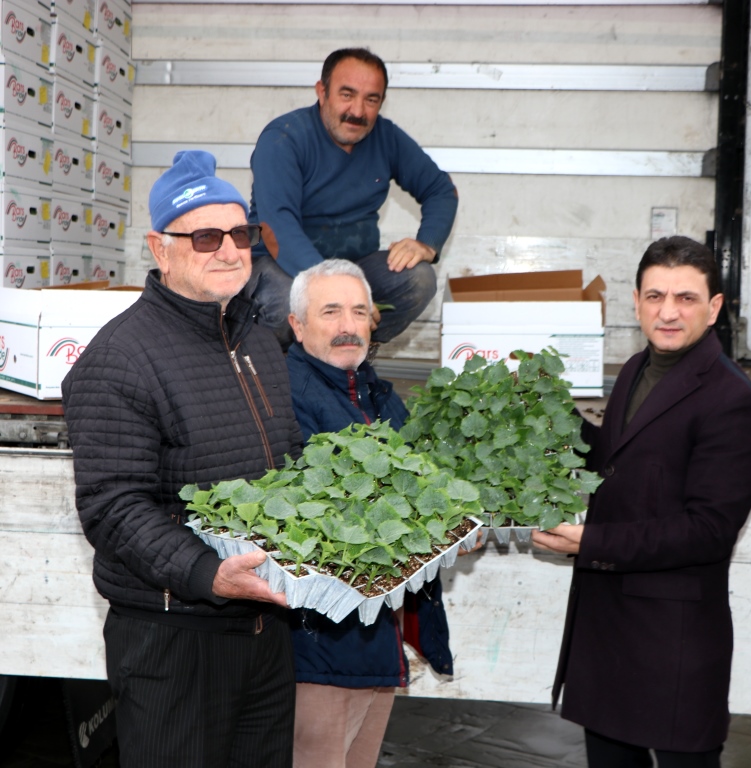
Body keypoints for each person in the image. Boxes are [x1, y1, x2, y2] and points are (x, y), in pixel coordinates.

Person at [62, 150, 303, 767]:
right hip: (174, 639)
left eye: (240, 233)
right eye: (204, 236)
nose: (229, 250)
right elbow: (114, 508)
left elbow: (288, 463)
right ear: (159, 247)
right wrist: (208, 574)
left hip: (263, 631)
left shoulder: (257, 340)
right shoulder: (121, 359)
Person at [532, 236, 751, 768]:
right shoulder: (636, 369)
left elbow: (708, 529)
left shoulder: (735, 401)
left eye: (686, 298)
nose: (668, 312)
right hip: (608, 625)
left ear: (714, 308)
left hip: (673, 639)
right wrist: (554, 416)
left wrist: (590, 541)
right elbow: (618, 462)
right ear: (636, 302)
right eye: (655, 296)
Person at [285, 259, 452, 768]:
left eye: (359, 312)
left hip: (374, 640)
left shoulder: (376, 393)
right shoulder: (286, 396)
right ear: (297, 324)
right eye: (330, 311)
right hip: (319, 646)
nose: (347, 326)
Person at [248, 47, 459, 350]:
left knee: (419, 279)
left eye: (371, 99)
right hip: (279, 264)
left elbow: (441, 189)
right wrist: (338, 291)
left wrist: (426, 244)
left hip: (351, 265)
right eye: (347, 95)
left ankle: (351, 358)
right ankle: (276, 374)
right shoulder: (284, 138)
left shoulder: (386, 137)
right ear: (322, 92)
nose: (358, 112)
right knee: (285, 301)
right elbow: (278, 226)